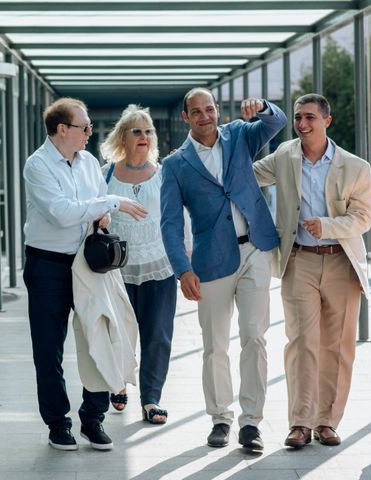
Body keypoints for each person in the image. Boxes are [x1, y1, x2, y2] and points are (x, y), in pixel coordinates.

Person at [160, 87, 286, 450]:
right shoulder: (175, 165)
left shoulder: (240, 135)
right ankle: (220, 418)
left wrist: (261, 106)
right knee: (214, 344)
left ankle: (251, 422)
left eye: (210, 109)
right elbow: (169, 223)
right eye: (196, 112)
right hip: (210, 262)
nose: (205, 116)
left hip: (255, 249)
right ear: (186, 117)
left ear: (217, 110)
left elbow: (275, 122)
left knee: (254, 335)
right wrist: (182, 269)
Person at [23, 97, 147, 451]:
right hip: (47, 265)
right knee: (49, 349)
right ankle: (58, 424)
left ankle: (93, 418)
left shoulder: (90, 162)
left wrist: (101, 213)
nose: (90, 133)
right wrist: (111, 203)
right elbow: (62, 213)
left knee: (99, 336)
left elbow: (91, 204)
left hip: (87, 262)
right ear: (63, 129)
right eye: (84, 127)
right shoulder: (38, 165)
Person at [253, 93, 371, 449]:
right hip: (299, 259)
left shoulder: (355, 167)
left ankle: (327, 421)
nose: (302, 125)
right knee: (301, 342)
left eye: (309, 118)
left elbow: (364, 218)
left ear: (327, 121)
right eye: (298, 118)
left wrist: (328, 225)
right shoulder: (284, 156)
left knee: (337, 345)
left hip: (341, 260)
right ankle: (300, 423)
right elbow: (246, 176)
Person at [99, 104, 178, 425]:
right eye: (136, 131)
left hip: (159, 266)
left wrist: (186, 263)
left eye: (148, 131)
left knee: (157, 334)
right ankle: (117, 384)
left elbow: (178, 220)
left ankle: (151, 398)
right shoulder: (104, 173)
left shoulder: (164, 174)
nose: (144, 136)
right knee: (117, 332)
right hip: (116, 269)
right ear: (123, 137)